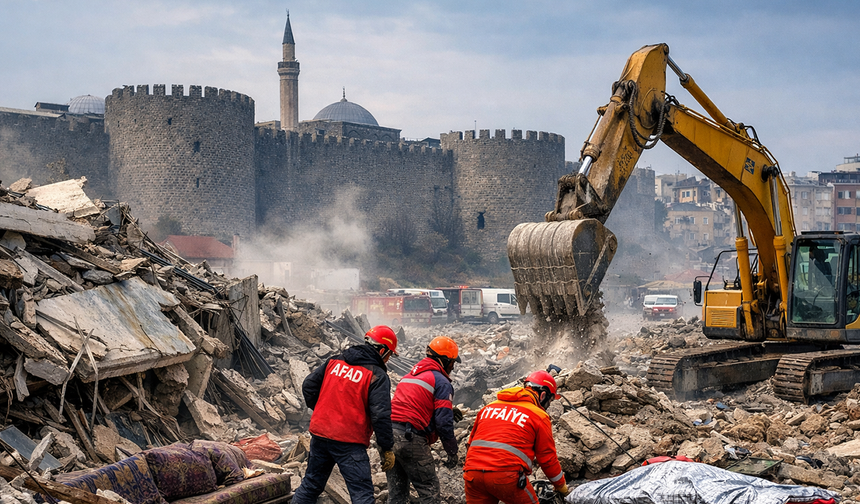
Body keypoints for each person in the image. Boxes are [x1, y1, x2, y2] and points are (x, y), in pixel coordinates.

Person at [292, 325, 399, 504]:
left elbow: (308, 385)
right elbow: (380, 415)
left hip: (320, 435)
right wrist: (386, 448)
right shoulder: (377, 375)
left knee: (311, 484)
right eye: (389, 354)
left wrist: (322, 411)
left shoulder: (335, 361)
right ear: (381, 350)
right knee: (361, 495)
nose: (388, 359)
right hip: (349, 443)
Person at [463, 370, 570, 504]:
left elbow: (470, 444)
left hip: (473, 474)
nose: (547, 407)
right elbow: (547, 458)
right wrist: (561, 487)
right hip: (505, 477)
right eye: (549, 402)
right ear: (542, 395)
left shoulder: (488, 408)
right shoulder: (538, 415)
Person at [387, 336, 462, 503]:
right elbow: (443, 422)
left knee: (397, 493)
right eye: (452, 362)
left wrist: (448, 409)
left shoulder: (410, 375)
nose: (453, 367)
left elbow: (413, 405)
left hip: (387, 436)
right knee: (429, 491)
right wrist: (452, 451)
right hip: (410, 438)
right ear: (444, 360)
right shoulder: (442, 382)